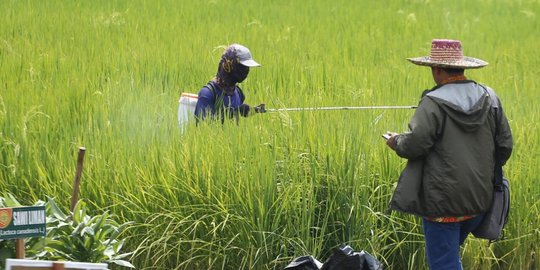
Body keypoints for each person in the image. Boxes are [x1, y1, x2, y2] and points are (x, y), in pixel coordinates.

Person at [384, 39, 513, 269]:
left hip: (444, 206)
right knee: (451, 259)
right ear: (463, 66)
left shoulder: (432, 102)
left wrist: (396, 141)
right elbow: (505, 146)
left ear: (437, 70)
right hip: (479, 199)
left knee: (444, 264)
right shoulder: (489, 97)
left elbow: (415, 145)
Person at [194, 44, 266, 125]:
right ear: (228, 65)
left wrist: (252, 110)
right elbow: (203, 126)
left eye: (247, 67)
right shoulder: (207, 93)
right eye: (242, 67)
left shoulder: (239, 93)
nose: (246, 70)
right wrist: (234, 113)